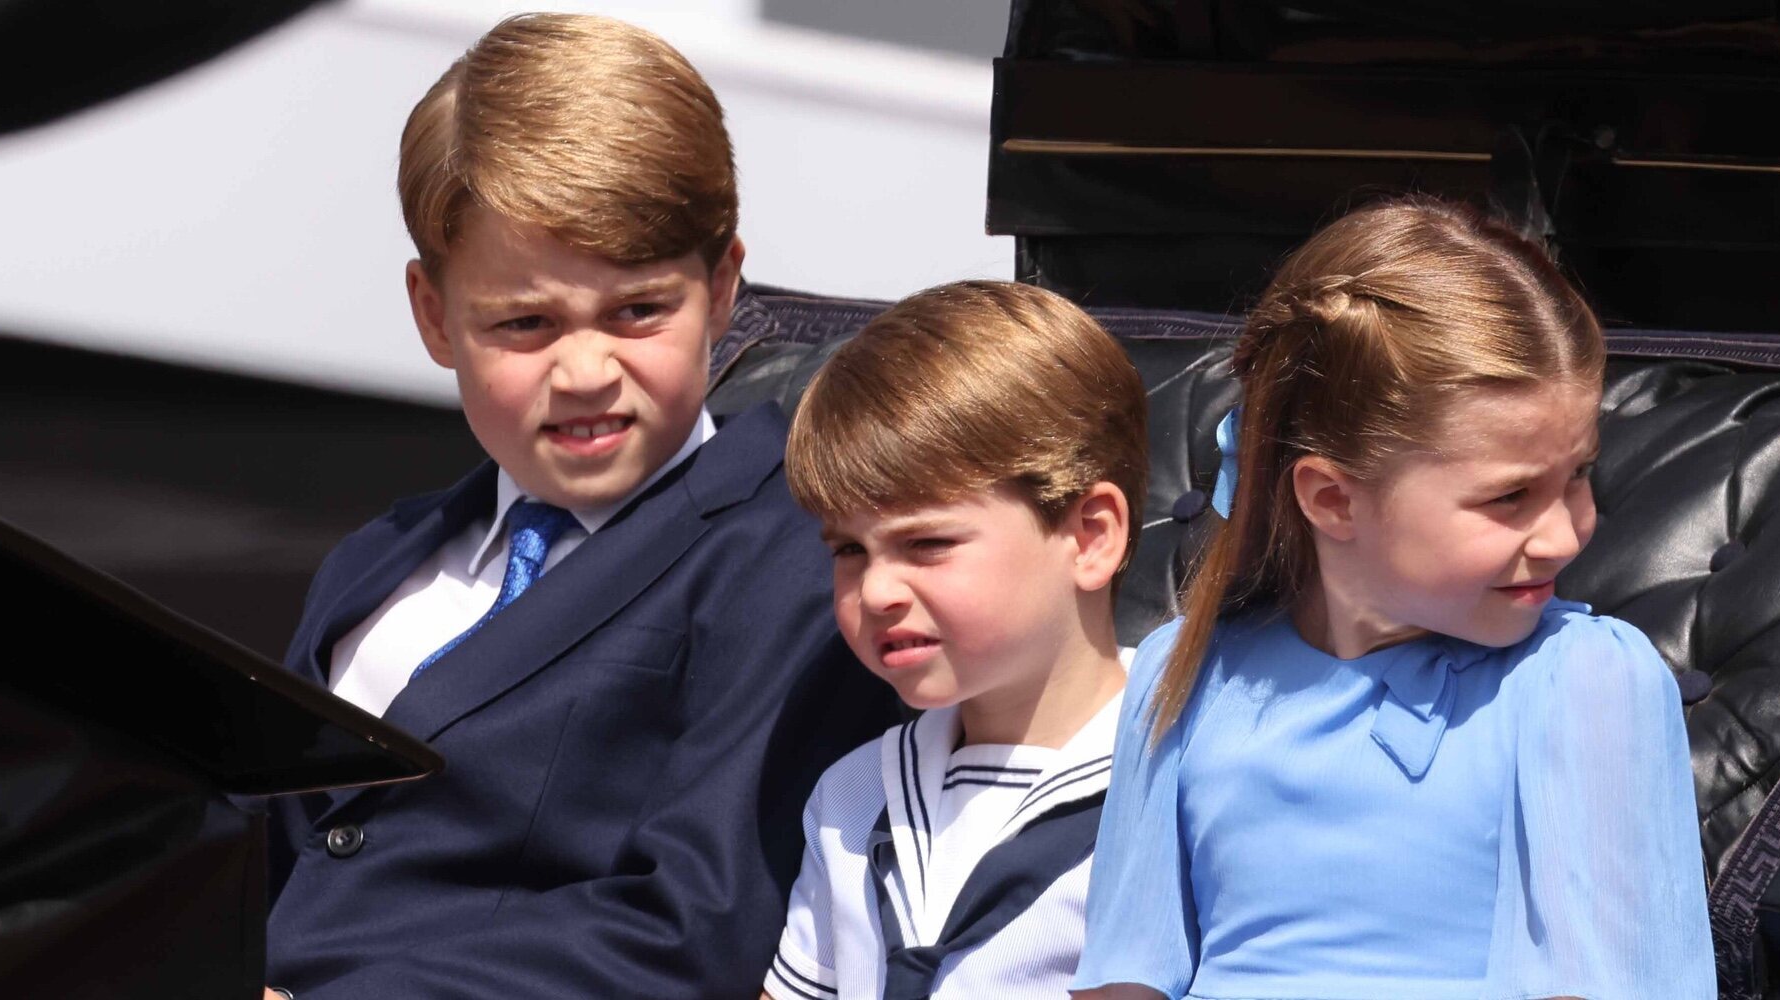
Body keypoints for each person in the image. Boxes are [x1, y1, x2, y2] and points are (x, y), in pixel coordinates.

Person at [262, 14, 895, 998]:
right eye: (525, 323)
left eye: (638, 311)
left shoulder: (799, 559)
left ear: (722, 288)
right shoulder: (375, 559)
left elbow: (694, 924)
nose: (588, 370)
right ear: (434, 314)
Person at [1071, 196, 1715, 1000]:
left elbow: (1596, 983)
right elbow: (1126, 978)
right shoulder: (1185, 674)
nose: (1563, 535)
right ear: (1333, 500)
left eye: (1577, 475)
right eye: (1509, 498)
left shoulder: (1582, 680)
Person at [760, 280, 1148, 1000]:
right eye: (849, 550)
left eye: (928, 543)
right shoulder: (850, 797)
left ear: (1090, 537)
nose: (876, 590)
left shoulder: (1178, 785)